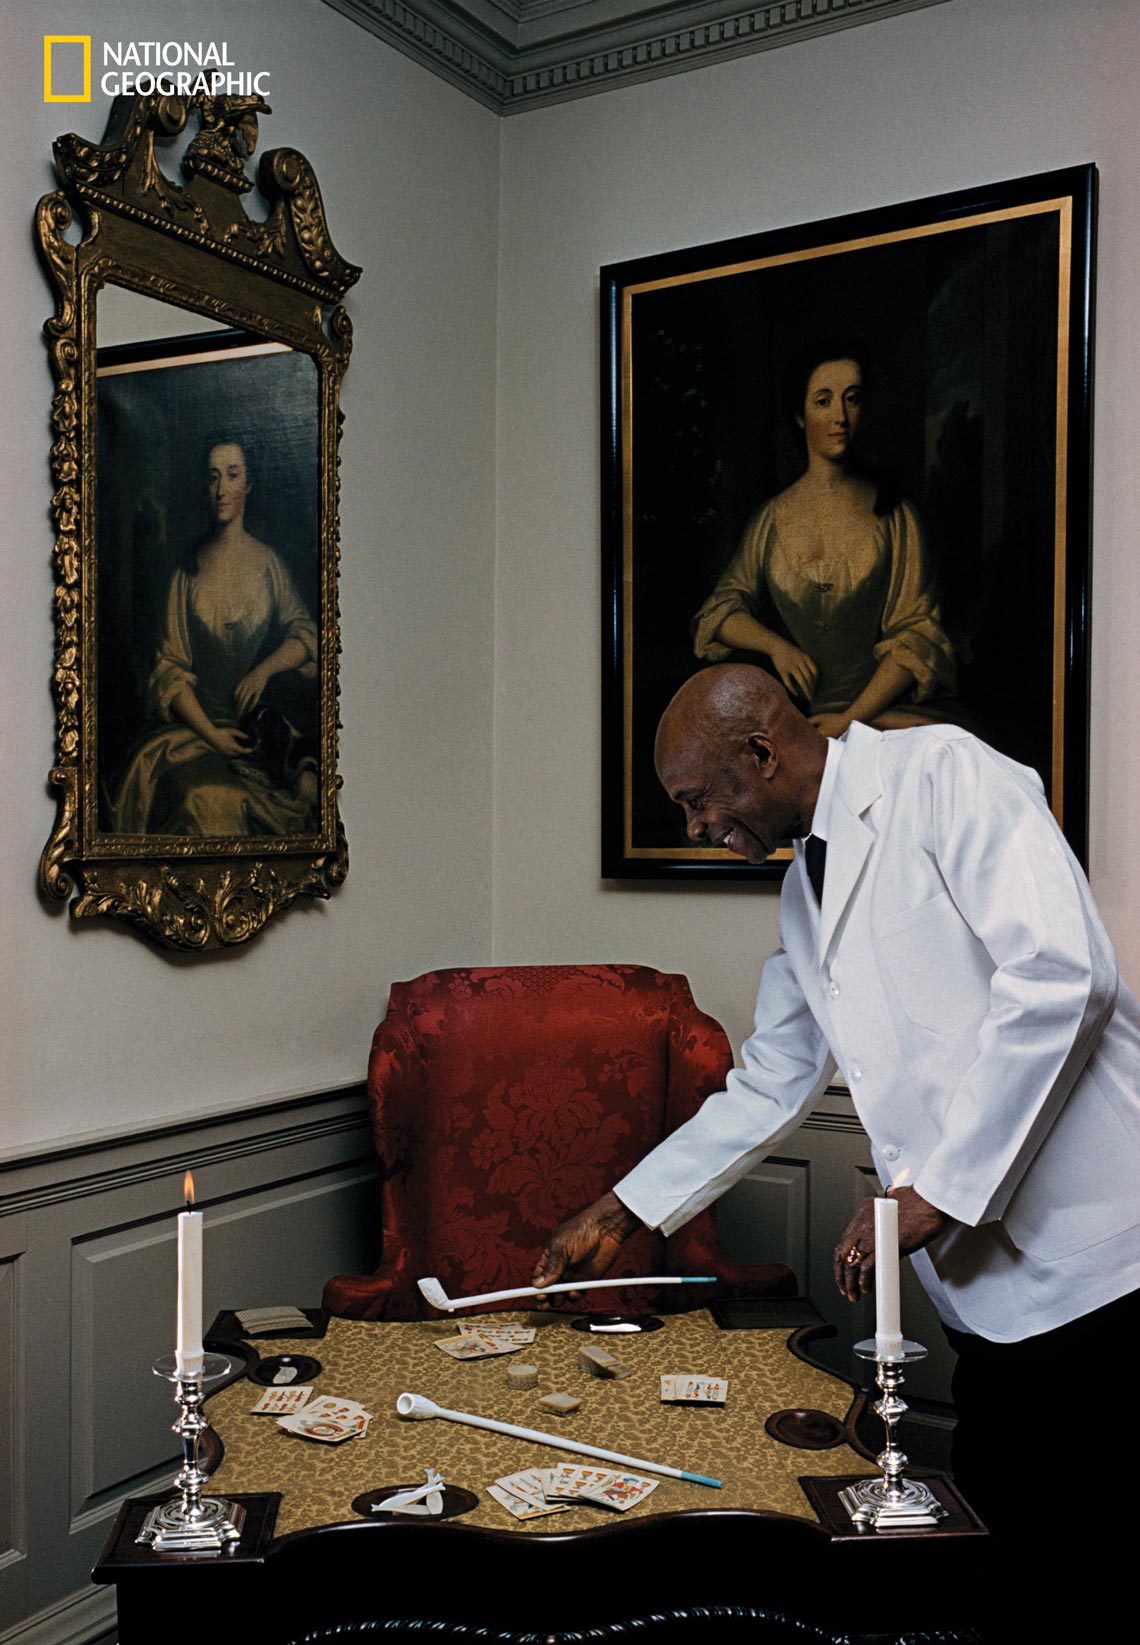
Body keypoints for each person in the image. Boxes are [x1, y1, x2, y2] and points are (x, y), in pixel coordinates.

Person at [534, 664, 1140, 1596]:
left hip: (1103, 1272)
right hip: (990, 1302)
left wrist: (931, 1192)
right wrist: (623, 1208)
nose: (693, 826)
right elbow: (772, 1077)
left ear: (762, 753)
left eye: (695, 800)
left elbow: (1064, 978)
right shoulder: (802, 893)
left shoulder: (946, 773)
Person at [691, 345, 955, 738]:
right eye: (823, 401)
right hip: (806, 721)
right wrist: (777, 647)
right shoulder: (770, 519)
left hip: (884, 715)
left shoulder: (897, 517)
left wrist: (849, 720)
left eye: (852, 399)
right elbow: (721, 611)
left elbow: (917, 638)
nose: (840, 417)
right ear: (800, 416)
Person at [110, 437, 319, 837]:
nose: (221, 489)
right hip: (194, 733)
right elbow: (169, 671)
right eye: (212, 478)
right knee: (205, 799)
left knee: (303, 794)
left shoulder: (269, 563)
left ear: (249, 485)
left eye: (232, 475)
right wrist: (214, 738)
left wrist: (263, 671)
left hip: (255, 734)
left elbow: (306, 635)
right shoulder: (185, 574)